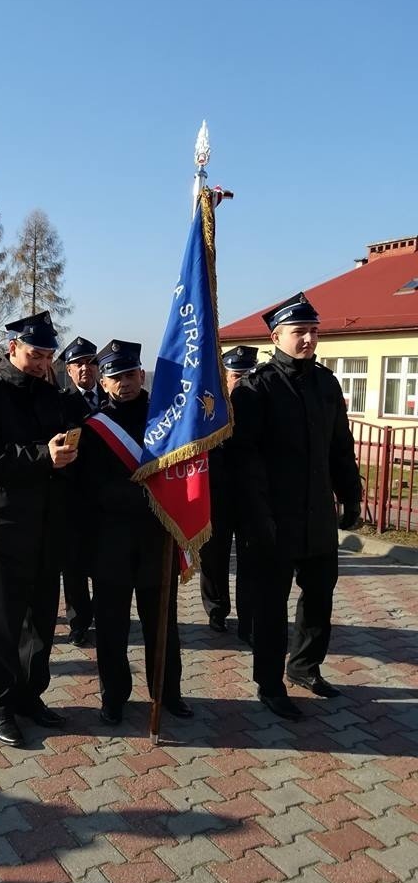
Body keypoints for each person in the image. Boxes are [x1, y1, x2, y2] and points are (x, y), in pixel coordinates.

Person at [231, 293, 362, 721]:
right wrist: (257, 516)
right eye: (299, 332)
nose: (308, 339)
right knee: (271, 606)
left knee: (319, 596)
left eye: (313, 331)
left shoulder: (326, 383)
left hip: (317, 516)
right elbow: (245, 461)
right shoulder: (257, 388)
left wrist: (352, 495)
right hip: (273, 519)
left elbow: (340, 447)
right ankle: (269, 685)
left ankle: (305, 666)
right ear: (277, 336)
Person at [0, 311, 77, 747]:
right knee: (3, 628)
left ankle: (30, 697)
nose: (42, 362)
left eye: (48, 355)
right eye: (34, 354)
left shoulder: (53, 395)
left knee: (41, 625)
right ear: (13, 349)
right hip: (4, 530)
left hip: (47, 527)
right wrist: (43, 456)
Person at [77, 339, 191, 726]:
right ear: (103, 383)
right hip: (110, 542)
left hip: (157, 538)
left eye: (129, 374)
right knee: (111, 626)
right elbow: (89, 487)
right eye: (115, 377)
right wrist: (140, 493)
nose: (124, 382)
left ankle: (167, 691)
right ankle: (114, 695)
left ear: (141, 375)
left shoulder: (166, 421)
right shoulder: (93, 429)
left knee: (162, 622)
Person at [199, 346, 258, 640]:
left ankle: (248, 616)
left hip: (248, 496)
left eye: (249, 374)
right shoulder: (210, 405)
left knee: (250, 560)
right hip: (217, 495)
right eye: (237, 375)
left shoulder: (260, 405)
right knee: (214, 558)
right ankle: (217, 610)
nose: (243, 381)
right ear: (224, 375)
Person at [58, 336, 105, 645]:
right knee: (73, 565)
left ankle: (106, 616)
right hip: (72, 496)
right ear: (69, 371)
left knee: (104, 562)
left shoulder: (112, 398)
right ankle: (78, 621)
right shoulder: (60, 403)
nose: (84, 369)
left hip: (106, 497)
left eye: (89, 362)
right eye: (77, 364)